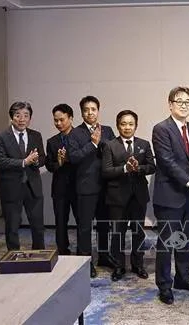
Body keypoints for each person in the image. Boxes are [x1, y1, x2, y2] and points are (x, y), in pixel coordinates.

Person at [152, 86, 189, 305]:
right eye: (179, 101)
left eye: (188, 102)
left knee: (186, 241)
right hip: (169, 195)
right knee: (167, 242)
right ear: (170, 104)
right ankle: (164, 285)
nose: (184, 105)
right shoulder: (161, 129)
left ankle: (183, 278)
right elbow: (167, 161)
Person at [102, 110, 156, 282]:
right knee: (118, 232)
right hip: (117, 197)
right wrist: (125, 168)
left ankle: (137, 264)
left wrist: (138, 168)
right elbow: (106, 171)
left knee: (138, 232)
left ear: (136, 126)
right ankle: (118, 266)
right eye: (123, 124)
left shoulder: (144, 144)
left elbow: (152, 167)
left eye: (130, 124)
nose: (127, 127)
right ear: (118, 126)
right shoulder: (110, 145)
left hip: (138, 196)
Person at [67, 95, 116, 277]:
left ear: (98, 110)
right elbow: (74, 157)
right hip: (85, 187)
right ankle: (85, 261)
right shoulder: (75, 133)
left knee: (104, 225)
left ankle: (104, 256)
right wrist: (93, 143)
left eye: (93, 109)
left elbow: (112, 152)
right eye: (86, 110)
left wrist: (100, 143)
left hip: (106, 186)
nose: (90, 113)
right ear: (82, 112)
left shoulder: (108, 130)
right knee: (85, 226)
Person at [0, 101, 46, 252]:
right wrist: (24, 162)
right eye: (18, 115)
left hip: (33, 187)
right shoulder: (0, 137)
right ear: (11, 118)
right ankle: (13, 257)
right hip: (11, 188)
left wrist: (36, 161)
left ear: (30, 118)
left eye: (26, 115)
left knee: (38, 226)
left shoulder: (36, 135)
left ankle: (39, 255)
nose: (22, 119)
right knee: (12, 227)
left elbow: (42, 157)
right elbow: (1, 161)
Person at [45, 104, 78, 256]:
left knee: (82, 223)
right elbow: (49, 165)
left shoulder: (81, 136)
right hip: (60, 188)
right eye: (55, 120)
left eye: (62, 120)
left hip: (79, 187)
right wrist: (59, 163)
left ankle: (83, 253)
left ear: (71, 118)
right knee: (60, 222)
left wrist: (69, 159)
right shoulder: (52, 142)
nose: (58, 123)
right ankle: (63, 251)